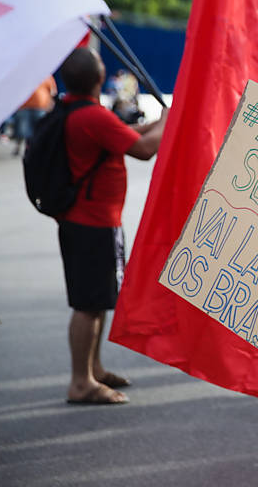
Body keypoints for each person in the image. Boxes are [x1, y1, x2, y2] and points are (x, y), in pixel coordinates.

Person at [57, 47, 167, 405]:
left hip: (92, 220)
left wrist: (164, 121)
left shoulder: (80, 111)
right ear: (99, 79)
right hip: (92, 223)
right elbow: (144, 149)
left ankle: (94, 369)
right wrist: (170, 121)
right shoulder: (91, 116)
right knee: (88, 304)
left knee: (98, 299)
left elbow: (126, 131)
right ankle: (80, 382)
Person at [12, 76, 57, 156]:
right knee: (22, 130)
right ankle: (19, 148)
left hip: (40, 107)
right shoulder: (23, 76)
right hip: (25, 106)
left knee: (38, 130)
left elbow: (52, 92)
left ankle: (32, 148)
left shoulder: (47, 76)